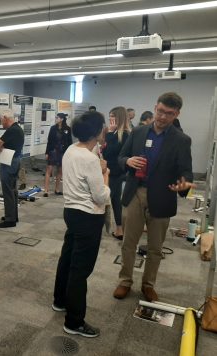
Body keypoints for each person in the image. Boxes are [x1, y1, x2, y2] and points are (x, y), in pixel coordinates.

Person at [113, 92, 194, 302]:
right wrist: (128, 161)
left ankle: (148, 285)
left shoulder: (182, 140)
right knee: (128, 243)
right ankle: (125, 281)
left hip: (163, 196)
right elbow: (121, 157)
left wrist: (184, 184)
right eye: (160, 111)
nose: (163, 117)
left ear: (177, 114)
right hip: (135, 193)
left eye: (169, 113)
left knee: (155, 247)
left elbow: (186, 172)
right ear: (155, 107)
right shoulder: (138, 132)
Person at [52, 111, 110, 338]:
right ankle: (74, 322)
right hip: (88, 216)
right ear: (97, 131)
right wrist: (105, 174)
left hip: (72, 212)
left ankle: (60, 300)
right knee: (80, 269)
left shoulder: (71, 150)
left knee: (68, 257)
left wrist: (99, 163)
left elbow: (87, 164)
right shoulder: (89, 159)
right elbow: (100, 196)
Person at [102, 107, 131, 240]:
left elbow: (108, 153)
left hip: (114, 173)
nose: (110, 119)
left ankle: (99, 227)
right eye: (109, 116)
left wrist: (109, 134)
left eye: (112, 116)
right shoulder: (117, 133)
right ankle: (119, 229)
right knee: (115, 201)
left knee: (105, 201)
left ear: (119, 118)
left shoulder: (124, 134)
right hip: (113, 172)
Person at [0, 109, 24, 228]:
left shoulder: (11, 130)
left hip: (9, 162)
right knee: (12, 189)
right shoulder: (18, 129)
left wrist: (0, 146)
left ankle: (10, 219)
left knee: (7, 190)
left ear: (6, 118)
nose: (1, 122)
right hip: (15, 160)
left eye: (1, 119)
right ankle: (13, 215)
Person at [43, 113, 73, 197]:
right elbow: (49, 141)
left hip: (62, 152)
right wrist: (47, 152)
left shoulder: (67, 129)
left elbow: (70, 142)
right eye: (56, 117)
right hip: (53, 151)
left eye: (57, 118)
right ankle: (46, 190)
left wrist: (69, 153)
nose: (56, 119)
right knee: (49, 170)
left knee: (60, 171)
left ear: (62, 119)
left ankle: (57, 189)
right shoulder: (53, 128)